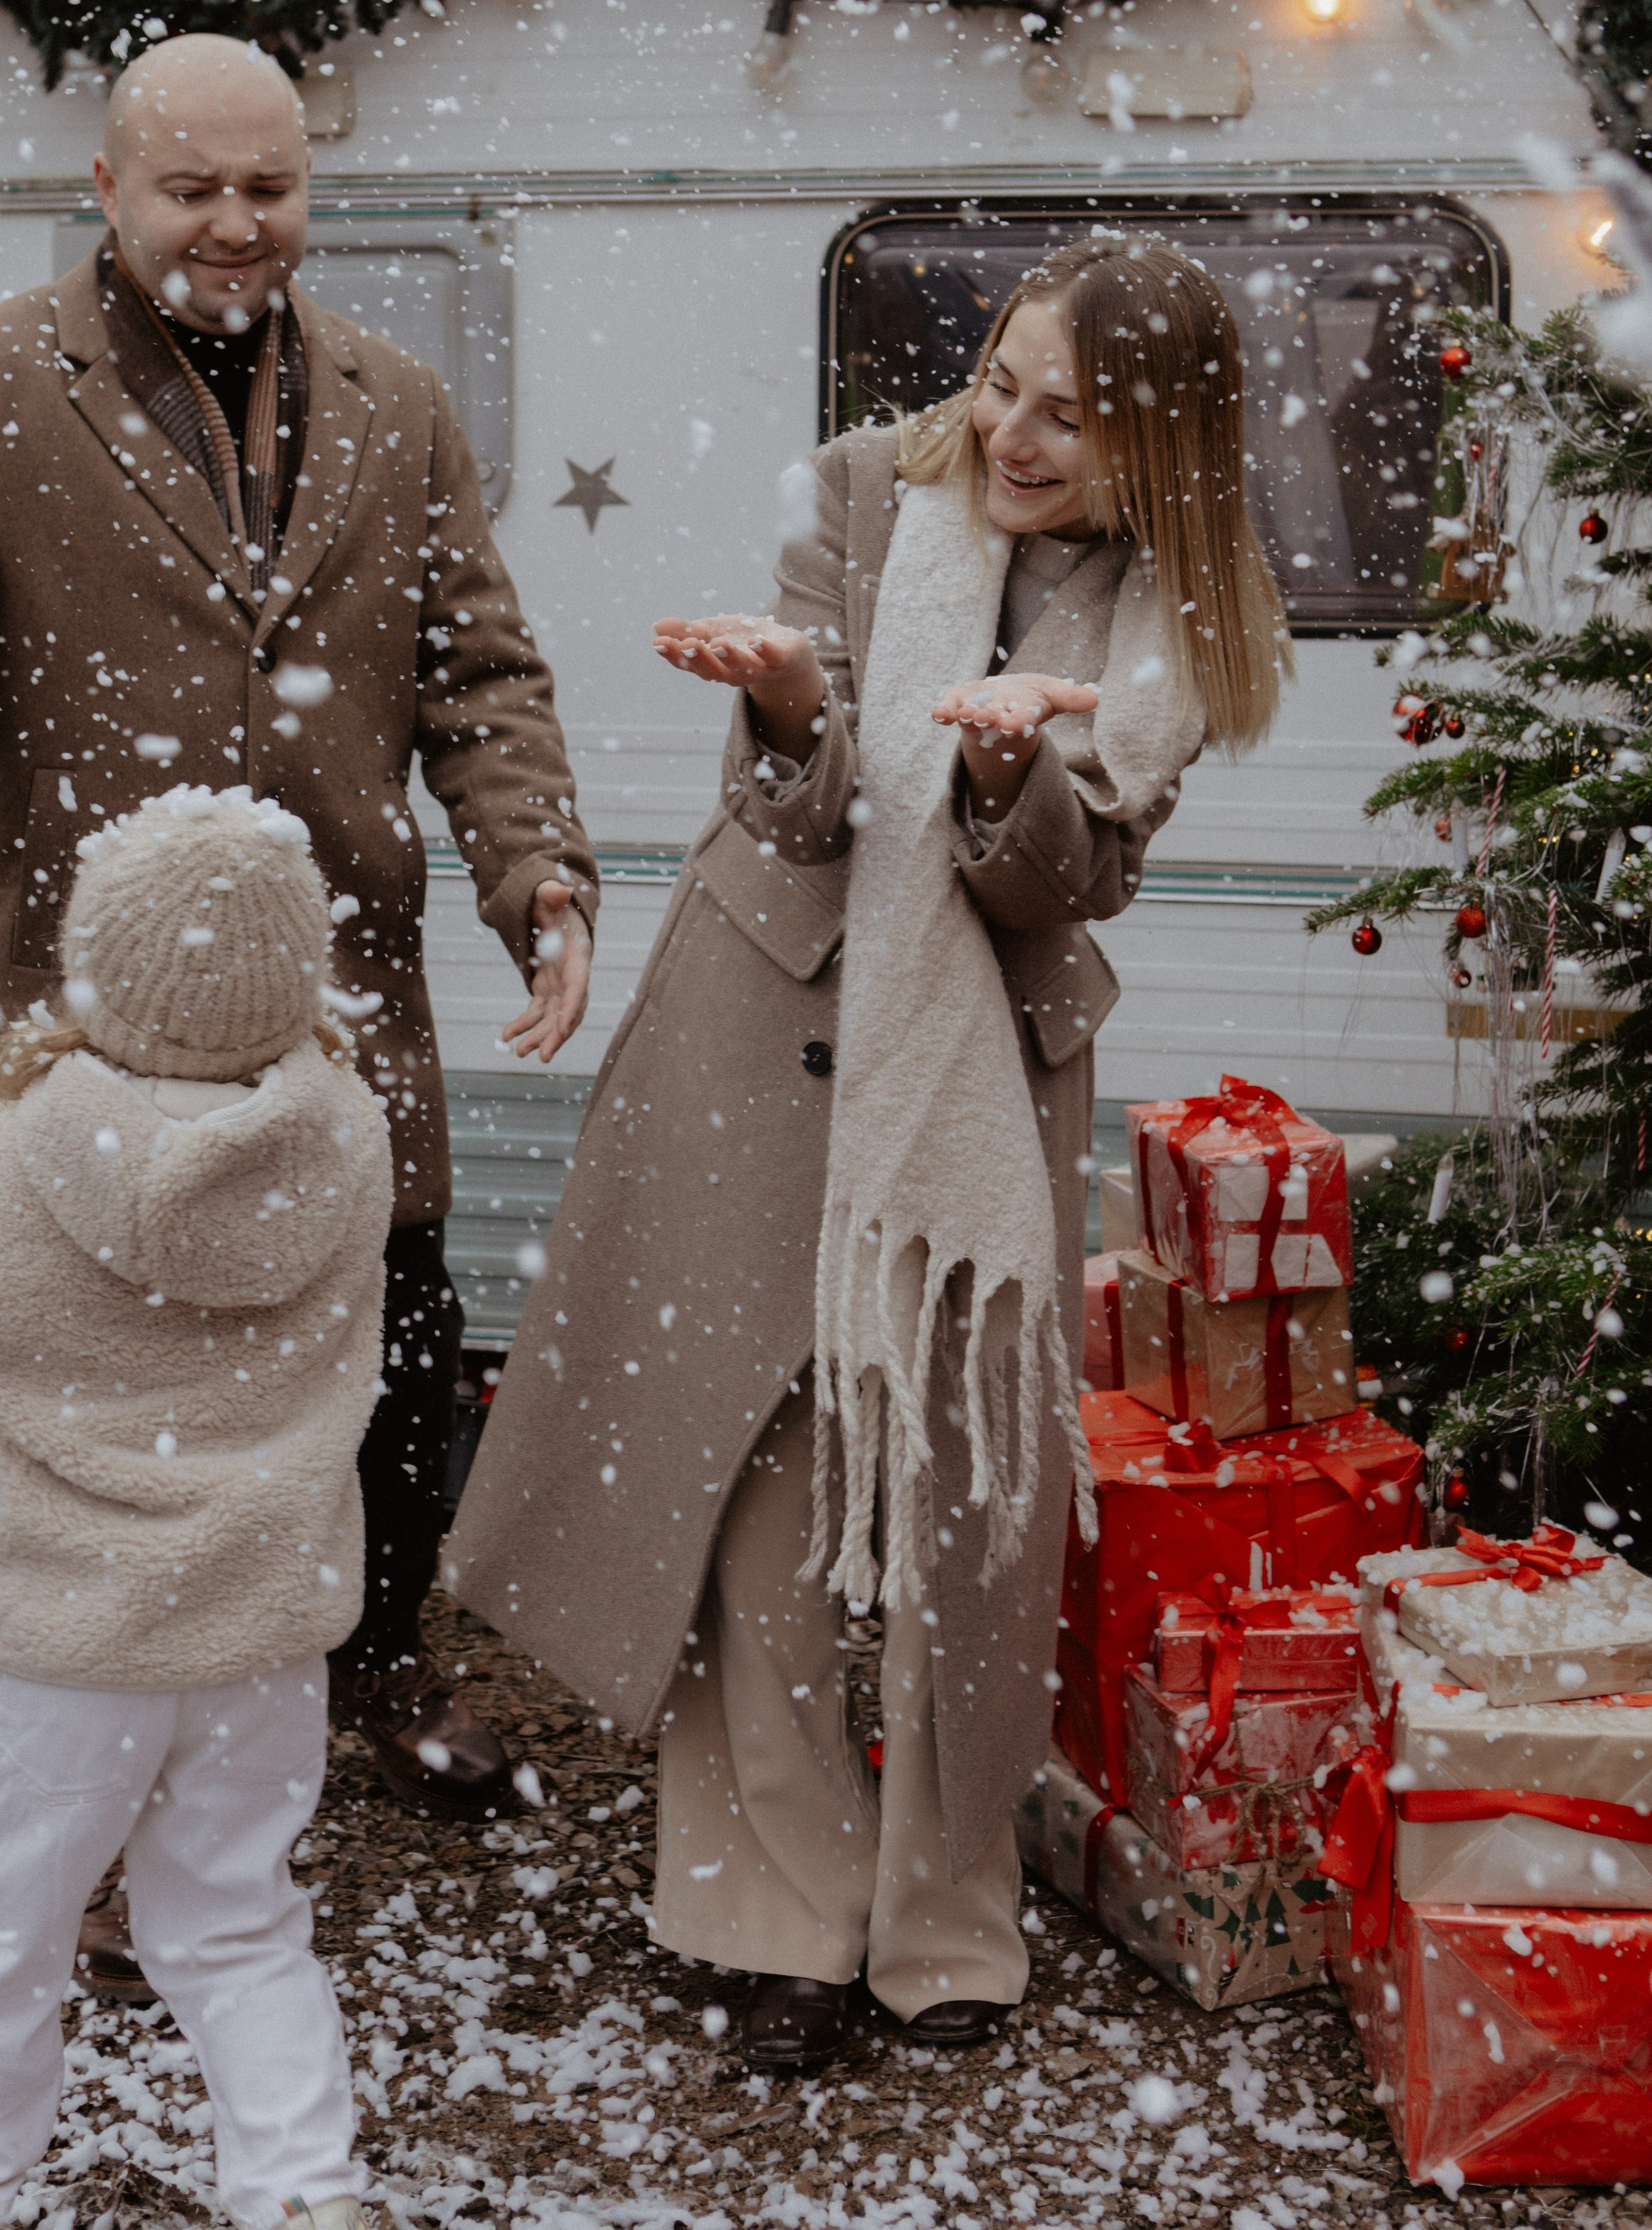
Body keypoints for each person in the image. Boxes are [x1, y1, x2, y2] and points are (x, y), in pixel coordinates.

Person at [446, 233, 1287, 2072]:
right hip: (757, 1038)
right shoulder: (860, 489)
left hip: (976, 1073)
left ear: (1160, 445)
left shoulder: (1176, 622)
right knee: (759, 1489)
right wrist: (788, 704)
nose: (1013, 430)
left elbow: (1073, 884)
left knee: (962, 1509)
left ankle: (941, 1920)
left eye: (1072, 413)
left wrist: (1002, 776)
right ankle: (776, 1915)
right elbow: (799, 810)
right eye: (1001, 378)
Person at [0, 33, 597, 1856]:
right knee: (108, 1381)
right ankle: (96, 1748)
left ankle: (374, 1662)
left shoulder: (397, 401)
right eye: (193, 189)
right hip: (97, 1016)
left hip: (342, 1004)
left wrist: (533, 871)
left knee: (391, 1340)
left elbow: (480, 674)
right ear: (106, 189)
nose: (238, 227)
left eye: (271, 187)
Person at [0, 785, 392, 2230]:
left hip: (72, 1629)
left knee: (12, 1923)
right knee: (232, 1919)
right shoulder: (346, 1136)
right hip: (262, 1616)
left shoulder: (2, 1150)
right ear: (297, 969)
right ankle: (300, 2191)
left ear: (98, 957)